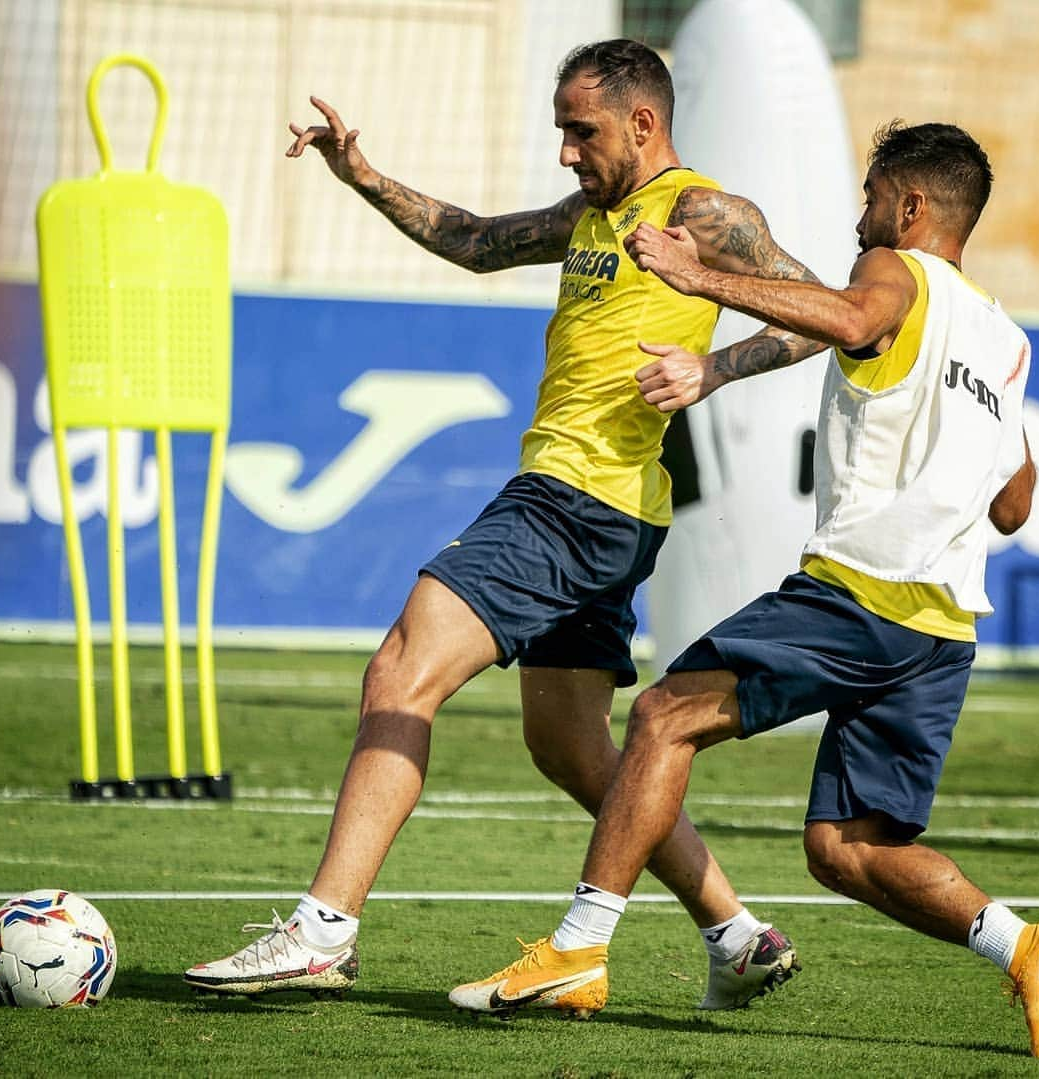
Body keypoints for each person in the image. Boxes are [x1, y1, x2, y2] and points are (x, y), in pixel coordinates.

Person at [184, 39, 821, 1010]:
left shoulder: (703, 212)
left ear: (643, 123)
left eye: (582, 130)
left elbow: (824, 310)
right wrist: (360, 174)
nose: (565, 150)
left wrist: (713, 368)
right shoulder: (591, 215)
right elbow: (477, 240)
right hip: (604, 508)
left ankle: (323, 927)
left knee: (404, 663)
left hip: (575, 497)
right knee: (571, 746)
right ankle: (738, 933)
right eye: (561, 129)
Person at [450, 120, 1039, 1059]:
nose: (860, 222)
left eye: (869, 201)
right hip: (940, 629)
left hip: (860, 593)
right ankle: (1027, 948)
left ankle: (577, 950)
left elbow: (851, 318)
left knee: (660, 718)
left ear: (911, 206)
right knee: (847, 847)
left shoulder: (898, 271)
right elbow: (1016, 502)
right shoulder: (1005, 340)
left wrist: (700, 280)